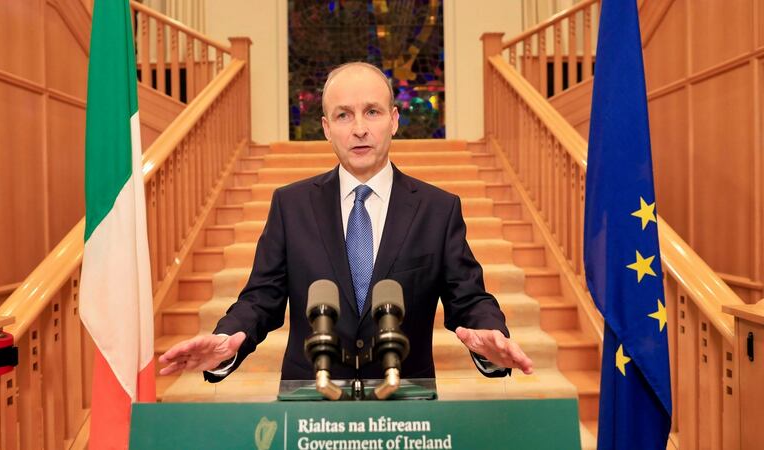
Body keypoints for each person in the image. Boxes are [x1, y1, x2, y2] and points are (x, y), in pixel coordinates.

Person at [159, 62, 534, 382]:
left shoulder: (438, 209)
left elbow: (469, 298)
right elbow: (261, 299)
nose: (359, 128)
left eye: (372, 111)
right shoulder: (290, 205)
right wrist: (227, 340)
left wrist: (490, 339)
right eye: (343, 115)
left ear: (394, 120)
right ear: (326, 127)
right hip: (311, 411)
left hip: (405, 410)